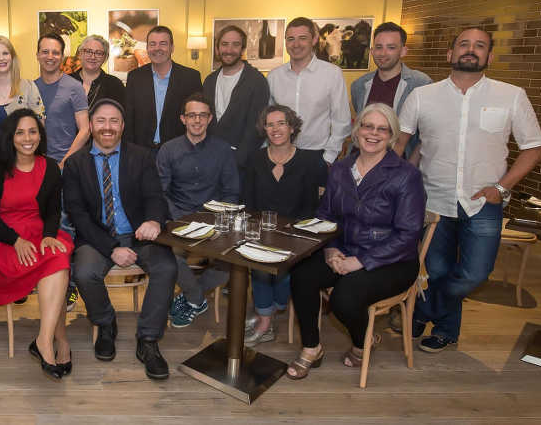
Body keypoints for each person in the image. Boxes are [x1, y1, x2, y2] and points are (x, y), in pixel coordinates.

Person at [396, 26, 541, 353]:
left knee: (475, 273)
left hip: (484, 203)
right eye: (463, 44)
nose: (470, 49)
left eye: (479, 46)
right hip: (432, 200)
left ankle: (424, 310)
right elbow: (400, 143)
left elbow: (534, 148)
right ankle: (447, 331)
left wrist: (501, 187)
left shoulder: (511, 96)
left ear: (489, 56)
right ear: (449, 54)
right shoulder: (423, 96)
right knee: (437, 271)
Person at [287, 103, 426, 380]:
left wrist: (360, 262)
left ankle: (363, 344)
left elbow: (408, 235)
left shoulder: (405, 175)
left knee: (344, 298)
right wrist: (331, 249)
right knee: (302, 273)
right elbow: (325, 214)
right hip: (344, 249)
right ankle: (312, 348)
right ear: (357, 129)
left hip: (393, 260)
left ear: (392, 136)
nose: (373, 133)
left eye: (381, 129)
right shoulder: (340, 169)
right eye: (367, 126)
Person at [63, 98, 177, 380]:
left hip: (138, 234)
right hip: (97, 237)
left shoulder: (141, 156)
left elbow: (155, 197)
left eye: (114, 121)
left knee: (167, 267)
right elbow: (78, 216)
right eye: (101, 121)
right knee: (85, 272)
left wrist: (153, 221)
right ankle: (105, 323)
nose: (107, 127)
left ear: (123, 126)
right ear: (90, 126)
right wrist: (112, 249)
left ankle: (148, 340)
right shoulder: (75, 164)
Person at [0, 109, 75, 380]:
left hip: (39, 232)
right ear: (10, 137)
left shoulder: (51, 167)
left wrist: (48, 234)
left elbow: (54, 211)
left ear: (40, 135)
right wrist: (15, 240)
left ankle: (45, 341)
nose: (27, 138)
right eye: (20, 132)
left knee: (58, 256)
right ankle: (56, 341)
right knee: (57, 266)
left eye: (33, 131)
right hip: (4, 238)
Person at [242, 105, 328, 345]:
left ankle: (270, 309)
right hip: (262, 232)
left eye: (281, 123)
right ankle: (266, 320)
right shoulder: (255, 159)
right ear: (264, 129)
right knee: (258, 264)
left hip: (298, 236)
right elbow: (247, 201)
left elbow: (322, 203)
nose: (275, 129)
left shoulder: (312, 161)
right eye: (270, 124)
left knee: (285, 268)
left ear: (292, 127)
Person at [157, 93, 239, 328]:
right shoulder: (168, 149)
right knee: (169, 256)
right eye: (192, 115)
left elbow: (232, 191)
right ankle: (196, 299)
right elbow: (160, 192)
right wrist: (178, 219)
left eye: (202, 115)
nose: (197, 120)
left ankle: (189, 297)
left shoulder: (223, 150)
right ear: (183, 118)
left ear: (210, 118)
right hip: (178, 219)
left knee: (231, 263)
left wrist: (218, 220)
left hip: (212, 219)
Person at [267, 17, 352, 164]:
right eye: (291, 39)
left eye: (303, 38)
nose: (296, 44)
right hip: (280, 156)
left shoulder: (332, 74)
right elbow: (268, 120)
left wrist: (329, 157)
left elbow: (342, 121)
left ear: (314, 40)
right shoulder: (274, 76)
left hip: (317, 156)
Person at [202, 24, 270, 199]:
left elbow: (256, 127)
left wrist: (236, 161)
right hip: (210, 163)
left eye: (235, 44)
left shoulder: (257, 81)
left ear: (243, 48)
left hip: (242, 165)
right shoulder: (209, 81)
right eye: (224, 44)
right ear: (217, 48)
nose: (229, 50)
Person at [349, 22, 431, 160]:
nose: (383, 53)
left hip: (400, 164)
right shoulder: (359, 85)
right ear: (372, 50)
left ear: (403, 51)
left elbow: (426, 135)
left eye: (391, 47)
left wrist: (409, 167)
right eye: (378, 47)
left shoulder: (421, 84)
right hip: (361, 161)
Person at [123, 26, 203, 151]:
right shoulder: (135, 77)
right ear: (147, 48)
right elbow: (129, 119)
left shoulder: (190, 78)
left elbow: (197, 117)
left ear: (172, 48)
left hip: (180, 151)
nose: (157, 48)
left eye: (163, 44)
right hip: (142, 153)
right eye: (152, 44)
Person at [33, 33, 90, 167]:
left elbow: (85, 130)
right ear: (37, 55)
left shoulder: (74, 87)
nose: (50, 57)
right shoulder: (31, 88)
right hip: (36, 164)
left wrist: (64, 163)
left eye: (56, 53)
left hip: (66, 164)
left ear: (62, 57)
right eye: (45, 52)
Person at [69, 34, 126, 108]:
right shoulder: (65, 82)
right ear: (80, 54)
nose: (93, 57)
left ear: (105, 57)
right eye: (88, 51)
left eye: (98, 53)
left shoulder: (115, 85)